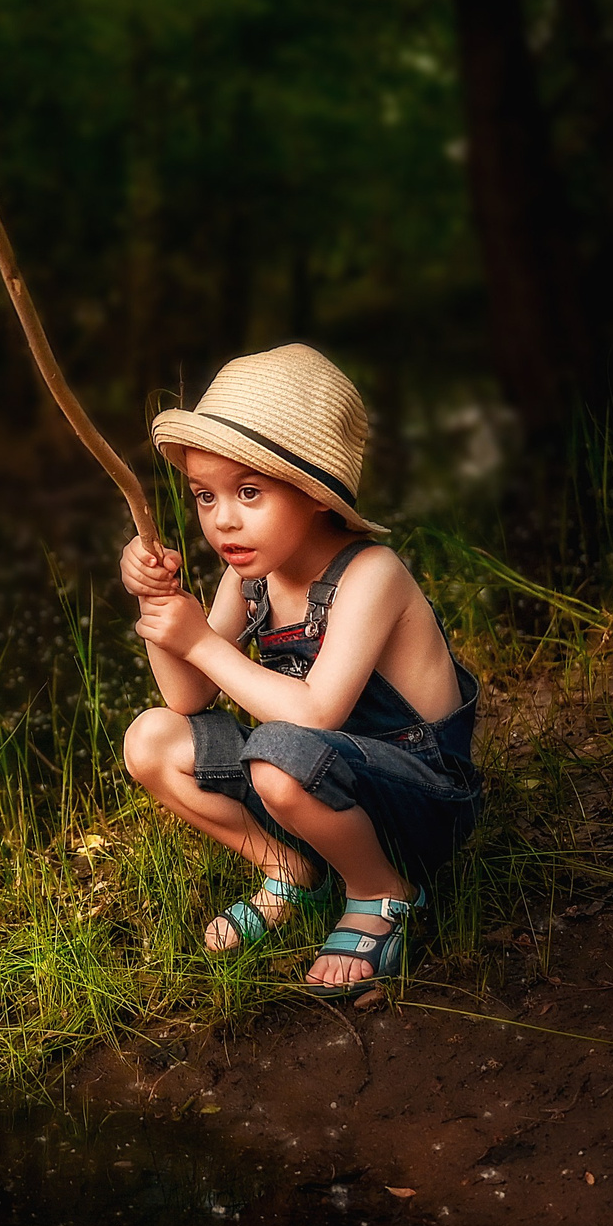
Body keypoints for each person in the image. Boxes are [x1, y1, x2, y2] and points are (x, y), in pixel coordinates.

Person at [120, 344, 483, 994]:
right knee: (151, 740)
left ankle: (381, 892)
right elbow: (187, 695)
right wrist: (161, 607)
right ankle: (291, 869)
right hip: (306, 782)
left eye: (249, 492)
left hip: (416, 800)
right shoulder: (248, 573)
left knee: (281, 750)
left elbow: (318, 714)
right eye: (205, 496)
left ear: (316, 495)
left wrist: (201, 640)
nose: (222, 518)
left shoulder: (371, 575)